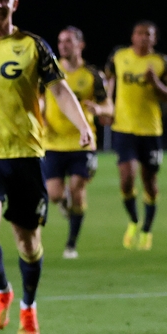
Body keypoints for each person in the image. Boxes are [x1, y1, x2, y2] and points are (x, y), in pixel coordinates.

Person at [0, 0, 93, 334]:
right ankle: (3, 290)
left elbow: (59, 89)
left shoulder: (33, 46)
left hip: (27, 156)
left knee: (28, 242)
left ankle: (28, 307)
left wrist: (82, 124)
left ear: (14, 4)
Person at [42, 26, 112, 260]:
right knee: (54, 194)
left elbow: (110, 108)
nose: (63, 45)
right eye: (61, 41)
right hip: (52, 142)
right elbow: (38, 99)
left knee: (77, 189)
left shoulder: (92, 75)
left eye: (69, 41)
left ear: (80, 45)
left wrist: (99, 108)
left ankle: (71, 244)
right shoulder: (49, 70)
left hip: (83, 143)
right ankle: (64, 204)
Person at [105, 21, 167, 251]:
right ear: (132, 36)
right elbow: (109, 82)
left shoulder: (161, 62)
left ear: (154, 39)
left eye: (148, 35)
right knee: (126, 179)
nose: (143, 37)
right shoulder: (119, 56)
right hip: (124, 128)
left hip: (150, 130)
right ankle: (134, 221)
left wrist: (154, 82)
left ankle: (147, 229)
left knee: (150, 183)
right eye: (140, 33)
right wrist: (107, 107)